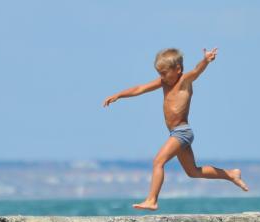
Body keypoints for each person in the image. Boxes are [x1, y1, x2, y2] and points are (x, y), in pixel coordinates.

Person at [102, 48, 249, 211]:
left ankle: (152, 200)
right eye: (159, 73)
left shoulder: (184, 81)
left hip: (182, 132)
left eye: (164, 73)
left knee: (158, 161)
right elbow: (140, 88)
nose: (162, 77)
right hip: (176, 133)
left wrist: (206, 61)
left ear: (177, 69)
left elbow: (197, 71)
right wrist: (119, 95)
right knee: (193, 171)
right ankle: (231, 175)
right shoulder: (164, 82)